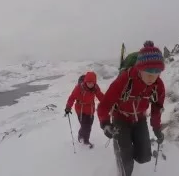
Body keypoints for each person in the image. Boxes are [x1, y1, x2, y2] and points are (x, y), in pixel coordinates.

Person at [97, 42, 165, 176]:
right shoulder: (125, 80)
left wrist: (156, 128)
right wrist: (105, 123)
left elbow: (157, 108)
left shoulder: (158, 85)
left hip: (139, 118)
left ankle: (127, 148)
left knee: (144, 157)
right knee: (126, 158)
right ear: (139, 68)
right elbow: (104, 105)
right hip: (120, 118)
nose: (153, 76)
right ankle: (123, 161)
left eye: (157, 72)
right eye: (149, 72)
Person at [65, 71, 104, 147]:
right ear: (85, 82)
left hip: (90, 109)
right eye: (88, 82)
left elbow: (100, 96)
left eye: (92, 83)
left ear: (94, 82)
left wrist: (107, 103)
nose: (90, 84)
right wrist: (68, 107)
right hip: (80, 109)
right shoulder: (79, 87)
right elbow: (72, 97)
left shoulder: (95, 88)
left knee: (89, 125)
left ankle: (82, 135)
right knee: (85, 125)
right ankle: (85, 140)